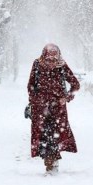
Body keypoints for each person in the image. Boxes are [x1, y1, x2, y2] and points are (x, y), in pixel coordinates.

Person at [27, 43, 80, 175]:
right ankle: (49, 161)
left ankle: (52, 163)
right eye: (49, 59)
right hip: (40, 109)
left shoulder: (62, 66)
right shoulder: (37, 65)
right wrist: (34, 100)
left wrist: (66, 98)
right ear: (44, 56)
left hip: (58, 110)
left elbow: (75, 85)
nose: (51, 63)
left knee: (55, 136)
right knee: (43, 136)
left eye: (54, 60)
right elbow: (31, 85)